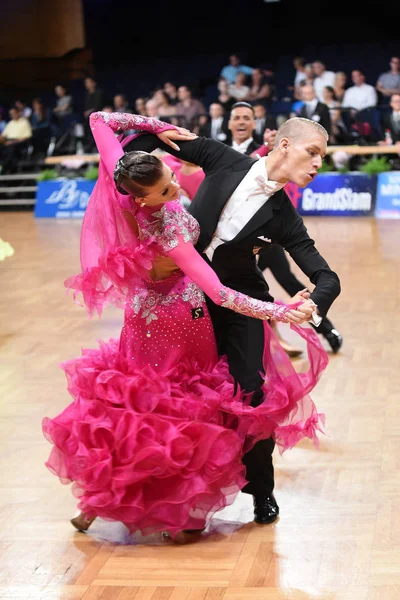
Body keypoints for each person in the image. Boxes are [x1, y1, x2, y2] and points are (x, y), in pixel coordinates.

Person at [42, 112, 328, 543]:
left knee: (173, 401)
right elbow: (216, 292)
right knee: (181, 408)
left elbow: (102, 126)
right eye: (166, 185)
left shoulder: (133, 199)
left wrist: (154, 129)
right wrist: (280, 312)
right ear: (145, 196)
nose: (177, 184)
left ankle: (251, 492)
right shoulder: (181, 214)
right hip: (185, 316)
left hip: (163, 312)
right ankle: (183, 507)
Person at [123, 114, 341, 526]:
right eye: (312, 152)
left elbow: (326, 276)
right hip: (181, 300)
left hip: (239, 304)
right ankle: (171, 489)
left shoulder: (284, 216)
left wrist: (315, 301)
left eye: (322, 157)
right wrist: (149, 136)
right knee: (170, 389)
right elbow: (144, 143)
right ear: (283, 146)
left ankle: (262, 491)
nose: (317, 163)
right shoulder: (222, 158)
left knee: (252, 391)